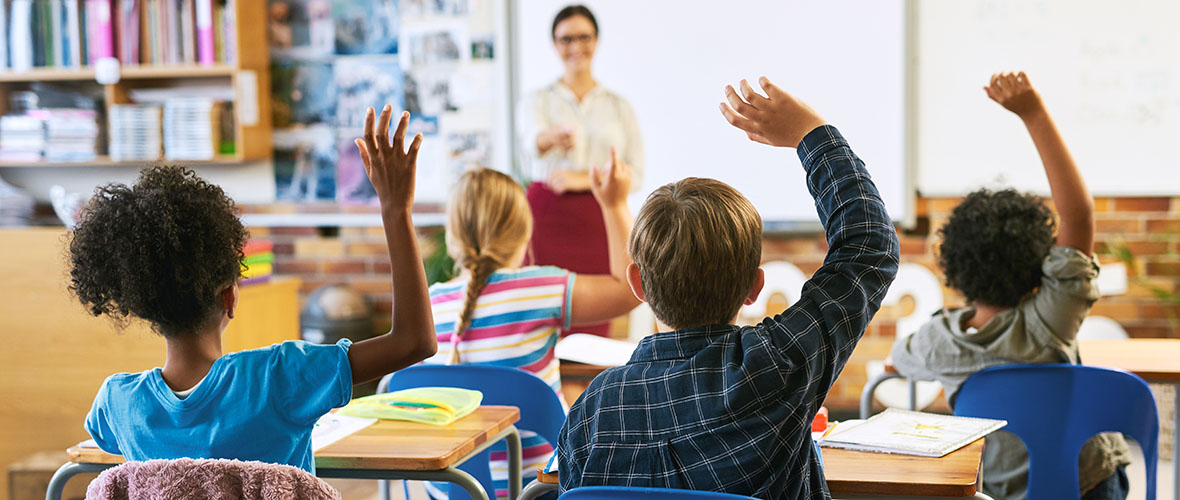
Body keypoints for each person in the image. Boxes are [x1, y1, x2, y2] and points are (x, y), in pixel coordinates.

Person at [556, 76, 900, 499]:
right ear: (755, 286)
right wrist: (810, 133)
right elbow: (868, 246)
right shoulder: (774, 370)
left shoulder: (591, 413)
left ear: (637, 285)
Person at [74, 106, 437, 473]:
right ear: (229, 297)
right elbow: (415, 342)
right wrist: (395, 210)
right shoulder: (280, 378)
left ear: (144, 307)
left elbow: (104, 437)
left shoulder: (118, 403)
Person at [889, 72, 1132, 499]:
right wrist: (1034, 114)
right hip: (1086, 487)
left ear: (955, 269)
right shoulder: (1051, 321)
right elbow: (1078, 215)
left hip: (997, 494)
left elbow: (898, 362)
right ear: (1043, 263)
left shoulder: (938, 342)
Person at [421, 149, 639, 499]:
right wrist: (613, 205)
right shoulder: (540, 289)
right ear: (524, 233)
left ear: (453, 237)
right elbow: (631, 287)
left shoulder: (429, 305)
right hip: (537, 489)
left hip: (452, 489)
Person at [517, 4, 644, 337]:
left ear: (596, 40)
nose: (576, 46)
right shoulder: (538, 100)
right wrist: (550, 138)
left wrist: (581, 178)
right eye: (566, 39)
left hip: (600, 217)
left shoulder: (619, 106)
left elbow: (636, 172)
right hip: (547, 218)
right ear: (555, 44)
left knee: (599, 314)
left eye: (584, 37)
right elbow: (531, 141)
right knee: (543, 312)